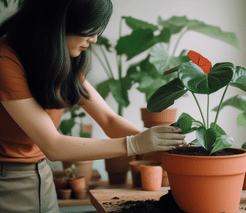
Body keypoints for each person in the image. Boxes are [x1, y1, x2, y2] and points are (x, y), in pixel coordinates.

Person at [0, 0, 185, 212]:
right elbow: (53, 145)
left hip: (43, 177)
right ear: (59, 22)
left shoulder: (58, 62)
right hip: (8, 182)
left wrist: (156, 143)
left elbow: (109, 120)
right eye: (89, 29)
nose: (94, 39)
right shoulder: (5, 61)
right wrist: (135, 144)